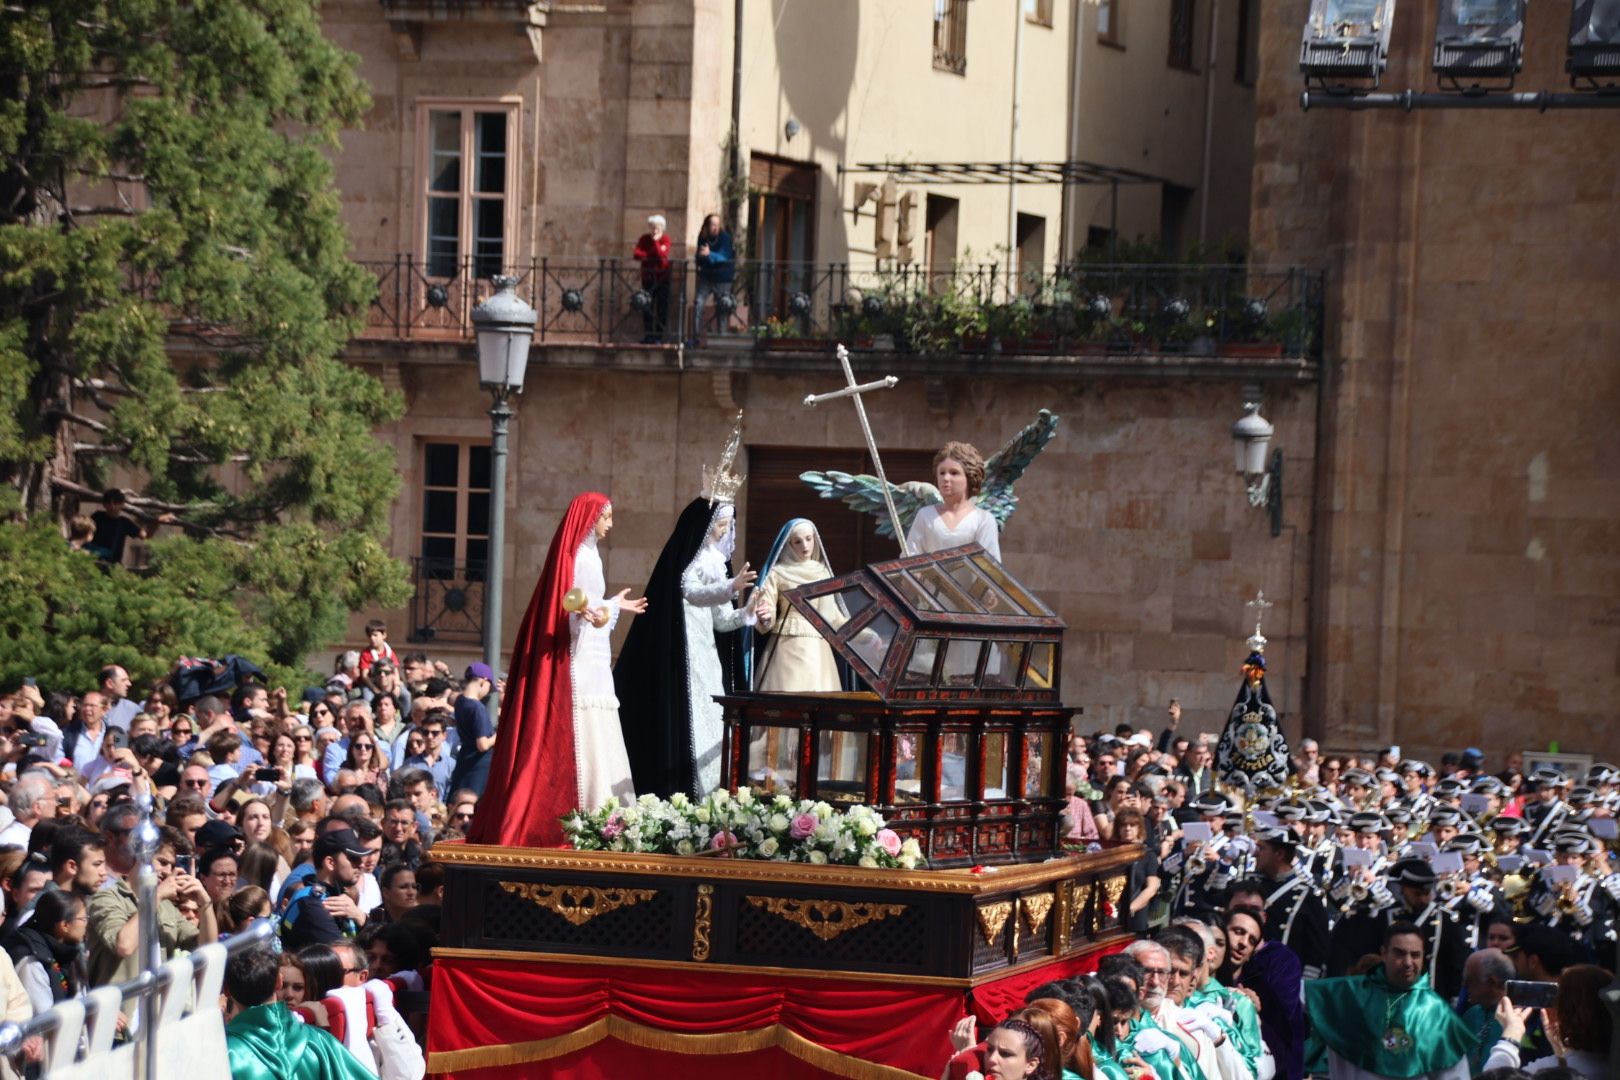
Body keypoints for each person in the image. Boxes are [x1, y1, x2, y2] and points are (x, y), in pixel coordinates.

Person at [467, 493, 646, 848]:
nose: (610, 525)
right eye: (606, 517)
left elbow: (587, 606)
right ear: (590, 518)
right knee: (584, 724)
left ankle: (607, 817)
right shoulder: (577, 557)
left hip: (595, 654)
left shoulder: (591, 554)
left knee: (601, 721)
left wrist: (611, 606)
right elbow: (567, 606)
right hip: (578, 658)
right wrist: (589, 614)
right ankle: (589, 811)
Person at [615, 490, 754, 799]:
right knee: (692, 721)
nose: (724, 531)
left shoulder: (718, 564)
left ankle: (712, 792)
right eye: (720, 524)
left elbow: (721, 620)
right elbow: (691, 592)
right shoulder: (691, 562)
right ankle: (690, 792)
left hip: (708, 658)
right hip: (685, 656)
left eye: (728, 525)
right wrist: (729, 587)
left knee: (713, 721)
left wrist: (747, 613)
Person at [1304, 922, 1477, 1079]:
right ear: (1384, 953)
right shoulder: (1345, 995)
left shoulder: (1438, 1015)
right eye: (1400, 953)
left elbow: (1455, 1076)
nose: (1408, 962)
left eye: (1415, 955)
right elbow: (1291, 994)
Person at [223, 945, 375, 1080]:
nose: (290, 994)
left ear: (226, 991)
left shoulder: (222, 1054)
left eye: (298, 987)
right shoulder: (318, 1040)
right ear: (279, 982)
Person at [748, 517, 847, 693]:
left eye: (809, 539)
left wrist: (866, 636)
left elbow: (833, 618)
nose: (805, 546)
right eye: (798, 541)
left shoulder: (822, 572)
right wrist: (765, 616)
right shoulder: (777, 572)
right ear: (789, 544)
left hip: (818, 653)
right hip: (786, 646)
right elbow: (767, 606)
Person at [1483, 963, 1611, 1077]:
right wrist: (1561, 1056)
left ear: (1565, 1012)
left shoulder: (1544, 1072)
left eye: (1557, 997)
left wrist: (1511, 1035)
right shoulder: (1611, 1067)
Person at [906, 441, 1001, 562]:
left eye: (954, 473)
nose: (946, 478)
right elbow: (910, 560)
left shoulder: (983, 520)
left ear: (969, 477)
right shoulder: (925, 516)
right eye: (942, 473)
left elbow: (990, 568)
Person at [446, 664, 496, 797]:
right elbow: (483, 744)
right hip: (478, 766)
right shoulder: (477, 708)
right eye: (489, 688)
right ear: (483, 681)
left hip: (464, 760)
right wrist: (499, 735)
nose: (487, 692)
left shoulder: (460, 701)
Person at [690, 213, 734, 342]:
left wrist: (710, 255)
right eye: (712, 224)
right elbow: (698, 257)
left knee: (723, 305)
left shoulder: (725, 238)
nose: (715, 227)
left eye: (717, 224)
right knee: (698, 303)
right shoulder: (702, 237)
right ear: (707, 225)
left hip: (722, 277)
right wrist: (701, 256)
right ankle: (696, 336)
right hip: (707, 276)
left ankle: (722, 337)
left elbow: (725, 256)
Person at [633, 213, 672, 342]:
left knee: (661, 308)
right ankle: (648, 335)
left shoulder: (665, 239)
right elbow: (636, 254)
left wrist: (655, 243)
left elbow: (662, 256)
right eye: (652, 227)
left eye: (658, 227)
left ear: (662, 228)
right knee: (646, 306)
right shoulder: (644, 239)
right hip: (648, 277)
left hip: (662, 278)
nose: (655, 230)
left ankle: (659, 336)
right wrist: (651, 254)